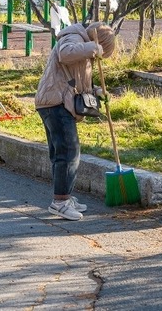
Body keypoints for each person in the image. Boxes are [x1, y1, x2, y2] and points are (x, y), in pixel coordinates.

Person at [34, 21, 116, 221]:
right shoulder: (73, 37)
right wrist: (92, 48)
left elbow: (77, 81)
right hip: (56, 102)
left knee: (60, 153)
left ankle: (65, 196)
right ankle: (60, 202)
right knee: (69, 152)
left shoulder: (83, 47)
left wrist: (97, 92)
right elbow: (65, 53)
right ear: (99, 41)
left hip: (55, 101)